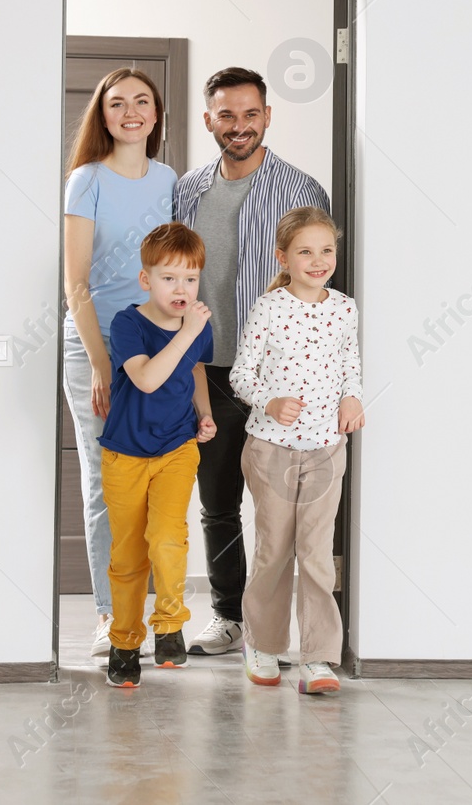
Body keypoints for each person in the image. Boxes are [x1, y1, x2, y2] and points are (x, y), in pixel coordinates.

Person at [173, 67, 329, 657]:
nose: (239, 127)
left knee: (283, 510)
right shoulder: (186, 192)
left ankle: (278, 632)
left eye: (250, 114)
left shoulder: (303, 190)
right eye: (227, 115)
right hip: (205, 371)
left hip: (278, 379)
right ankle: (228, 616)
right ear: (209, 118)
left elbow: (321, 283)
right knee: (217, 502)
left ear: (268, 116)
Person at [62, 68, 177, 657]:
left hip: (160, 347)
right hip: (98, 348)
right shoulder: (86, 180)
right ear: (102, 116)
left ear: (156, 115)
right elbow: (76, 285)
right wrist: (103, 364)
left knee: (157, 482)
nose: (130, 111)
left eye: (141, 102)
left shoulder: (169, 180)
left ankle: (156, 613)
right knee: (107, 485)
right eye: (116, 103)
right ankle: (111, 617)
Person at [231, 206, 363, 694]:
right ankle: (262, 645)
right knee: (274, 552)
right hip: (272, 450)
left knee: (316, 554)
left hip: (327, 450)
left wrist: (354, 396)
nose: (318, 260)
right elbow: (241, 375)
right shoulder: (269, 308)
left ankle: (319, 658)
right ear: (283, 257)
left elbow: (350, 367)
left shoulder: (345, 308)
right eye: (305, 251)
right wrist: (271, 401)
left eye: (326, 250)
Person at [98, 222, 217, 688]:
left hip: (176, 447)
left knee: (167, 538)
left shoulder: (196, 327)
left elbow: (197, 368)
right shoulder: (128, 323)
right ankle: (124, 642)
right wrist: (188, 332)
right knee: (128, 554)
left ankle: (170, 627)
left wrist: (203, 414)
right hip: (125, 453)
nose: (181, 289)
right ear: (146, 280)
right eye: (169, 278)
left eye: (190, 279)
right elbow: (147, 378)